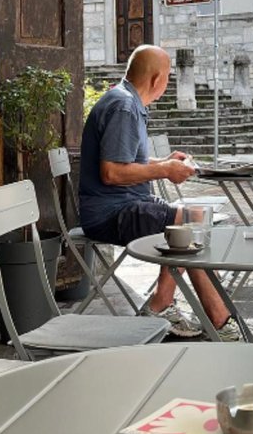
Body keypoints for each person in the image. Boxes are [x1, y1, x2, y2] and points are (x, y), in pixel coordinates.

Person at [78, 44, 240, 341]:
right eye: (168, 77)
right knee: (188, 224)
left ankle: (164, 304)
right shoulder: (124, 106)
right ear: (156, 80)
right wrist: (165, 170)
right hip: (110, 213)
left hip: (124, 204)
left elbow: (125, 161)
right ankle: (215, 319)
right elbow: (112, 172)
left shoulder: (126, 100)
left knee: (190, 219)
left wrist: (164, 163)